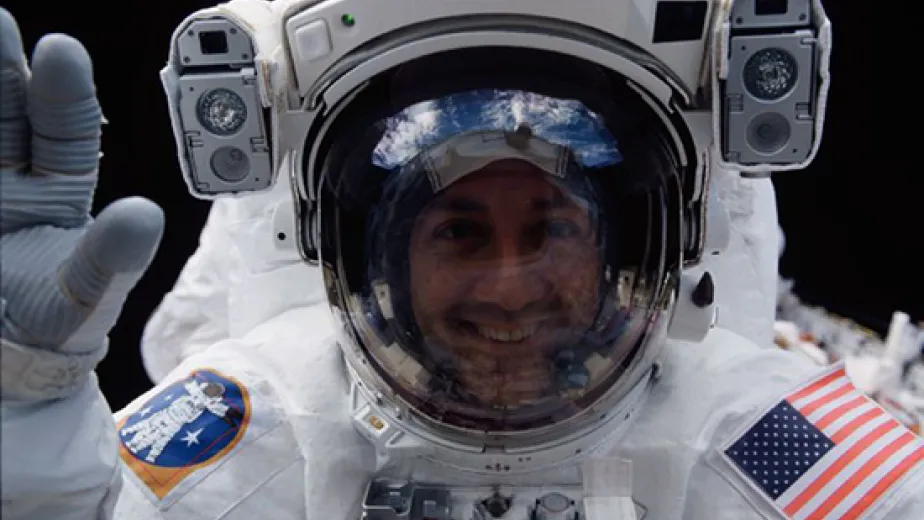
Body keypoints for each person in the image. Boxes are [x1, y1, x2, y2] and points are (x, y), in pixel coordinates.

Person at [2, 2, 922, 520]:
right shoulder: (271, 416)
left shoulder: (758, 435)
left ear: (651, 242)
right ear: (364, 257)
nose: (512, 285)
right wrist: (28, 413)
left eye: (554, 227)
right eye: (459, 231)